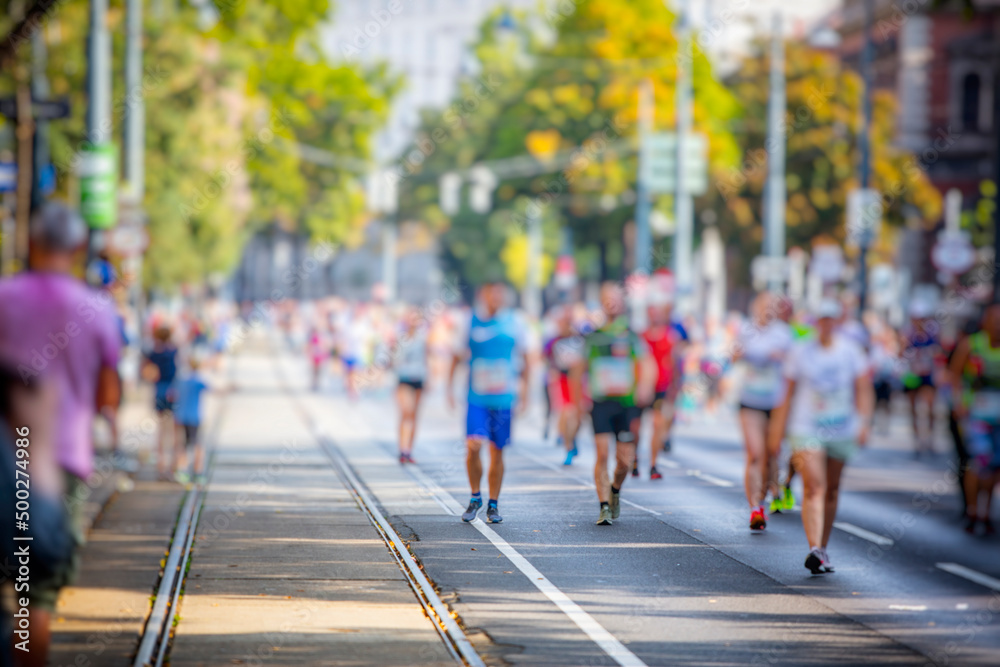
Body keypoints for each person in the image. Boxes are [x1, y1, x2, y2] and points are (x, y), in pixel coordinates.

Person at [0, 202, 122, 666]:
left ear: (31, 242)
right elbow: (107, 392)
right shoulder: (96, 308)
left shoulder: (4, 296)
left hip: (3, 455)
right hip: (57, 463)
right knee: (35, 596)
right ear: (76, 248)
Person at [770, 298, 873, 574]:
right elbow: (787, 392)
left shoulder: (850, 351)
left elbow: (863, 387)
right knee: (815, 486)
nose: (826, 325)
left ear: (838, 322)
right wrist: (778, 429)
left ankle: (823, 547)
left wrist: (864, 422)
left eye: (831, 319)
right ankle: (814, 547)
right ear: (816, 323)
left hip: (841, 428)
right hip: (807, 428)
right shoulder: (801, 352)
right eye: (822, 320)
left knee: (832, 489)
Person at [571, 282, 656, 526]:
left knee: (624, 461)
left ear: (622, 302)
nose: (611, 303)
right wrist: (578, 404)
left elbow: (647, 362)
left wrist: (645, 387)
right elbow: (578, 370)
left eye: (615, 298)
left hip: (626, 404)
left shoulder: (631, 334)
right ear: (601, 303)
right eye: (606, 298)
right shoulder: (593, 336)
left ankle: (615, 488)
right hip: (600, 402)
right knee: (602, 453)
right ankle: (604, 506)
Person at [448, 282, 531, 524]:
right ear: (483, 295)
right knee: (473, 445)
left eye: (499, 294)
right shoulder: (469, 321)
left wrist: (526, 394)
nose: (495, 298)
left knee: (497, 450)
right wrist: (449, 389)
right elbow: (455, 355)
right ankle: (475, 497)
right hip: (477, 397)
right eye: (491, 293)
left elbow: (528, 359)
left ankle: (493, 504)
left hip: (504, 398)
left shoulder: (515, 321)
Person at [733, 293, 793, 529]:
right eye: (762, 307)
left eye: (771, 307)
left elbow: (792, 363)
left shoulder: (783, 334)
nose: (766, 311)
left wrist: (777, 356)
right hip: (750, 399)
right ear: (755, 308)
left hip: (776, 402)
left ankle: (774, 489)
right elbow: (734, 355)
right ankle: (755, 508)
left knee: (771, 453)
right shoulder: (746, 330)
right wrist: (742, 353)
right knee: (755, 454)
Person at [949, 303, 1000, 536]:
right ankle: (972, 510)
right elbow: (955, 375)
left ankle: (986, 512)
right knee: (977, 462)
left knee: (994, 466)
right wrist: (959, 403)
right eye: (994, 319)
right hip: (977, 416)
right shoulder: (972, 344)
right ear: (985, 321)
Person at [638, 296, 688, 479]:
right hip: (642, 387)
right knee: (636, 428)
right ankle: (634, 459)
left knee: (657, 425)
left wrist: (675, 387)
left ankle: (653, 464)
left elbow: (674, 363)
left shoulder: (670, 337)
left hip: (661, 388)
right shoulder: (640, 337)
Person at [542, 305, 584, 466]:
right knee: (567, 413)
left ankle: (572, 438)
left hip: (579, 381)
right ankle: (568, 446)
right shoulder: (553, 341)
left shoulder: (580, 338)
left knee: (580, 415)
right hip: (562, 381)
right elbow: (545, 358)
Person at [900, 302, 943, 457]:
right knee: (913, 409)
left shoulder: (932, 334)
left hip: (927, 375)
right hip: (912, 376)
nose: (918, 321)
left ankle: (930, 439)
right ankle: (917, 441)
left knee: (930, 408)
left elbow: (939, 354)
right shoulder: (907, 334)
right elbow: (901, 354)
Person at [143, 324, 179, 480]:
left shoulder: (153, 353)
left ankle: (161, 464)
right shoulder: (174, 351)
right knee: (172, 431)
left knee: (160, 430)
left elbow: (146, 370)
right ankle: (173, 465)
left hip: (159, 391)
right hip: (173, 392)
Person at [395, 307, 430, 464]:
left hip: (419, 377)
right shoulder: (401, 337)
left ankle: (409, 450)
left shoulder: (424, 337)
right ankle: (402, 449)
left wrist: (430, 378)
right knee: (406, 412)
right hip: (404, 377)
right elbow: (394, 358)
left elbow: (427, 358)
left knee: (414, 415)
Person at [171, 356, 210, 484]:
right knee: (198, 444)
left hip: (181, 416)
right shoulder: (198, 381)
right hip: (194, 418)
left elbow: (171, 395)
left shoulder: (181, 380)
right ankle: (198, 472)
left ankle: (182, 470)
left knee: (182, 444)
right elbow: (213, 389)